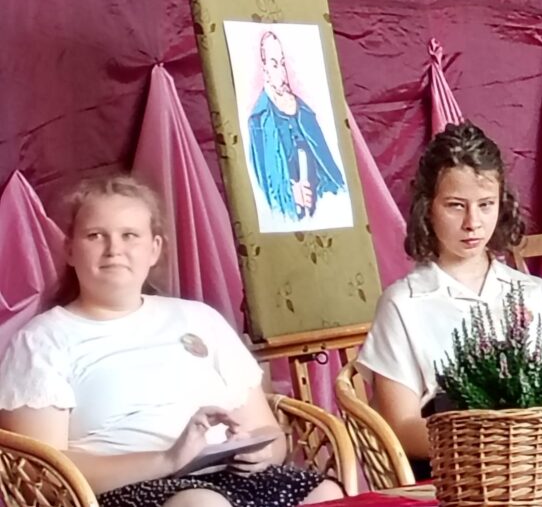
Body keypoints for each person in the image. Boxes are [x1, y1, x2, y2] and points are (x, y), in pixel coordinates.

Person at [0, 175, 343, 507]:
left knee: (326, 492)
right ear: (70, 250)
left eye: (130, 235)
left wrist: (261, 452)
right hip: (125, 491)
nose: (114, 249)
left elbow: (267, 431)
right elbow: (41, 476)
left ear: (154, 249)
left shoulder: (200, 319)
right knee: (203, 504)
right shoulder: (42, 341)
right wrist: (168, 459)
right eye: (95, 236)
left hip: (231, 478)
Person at [356, 121, 542, 477]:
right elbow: (400, 426)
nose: (473, 222)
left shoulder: (537, 295)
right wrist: (485, 445)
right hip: (452, 471)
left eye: (485, 205)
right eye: (456, 206)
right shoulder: (403, 304)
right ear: (428, 208)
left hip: (540, 467)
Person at [248, 30, 347, 222]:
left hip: (322, 214)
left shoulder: (304, 113)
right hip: (285, 219)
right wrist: (291, 192)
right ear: (265, 70)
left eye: (282, 63)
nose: (282, 73)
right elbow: (263, 183)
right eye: (274, 64)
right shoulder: (258, 121)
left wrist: (318, 193)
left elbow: (329, 170)